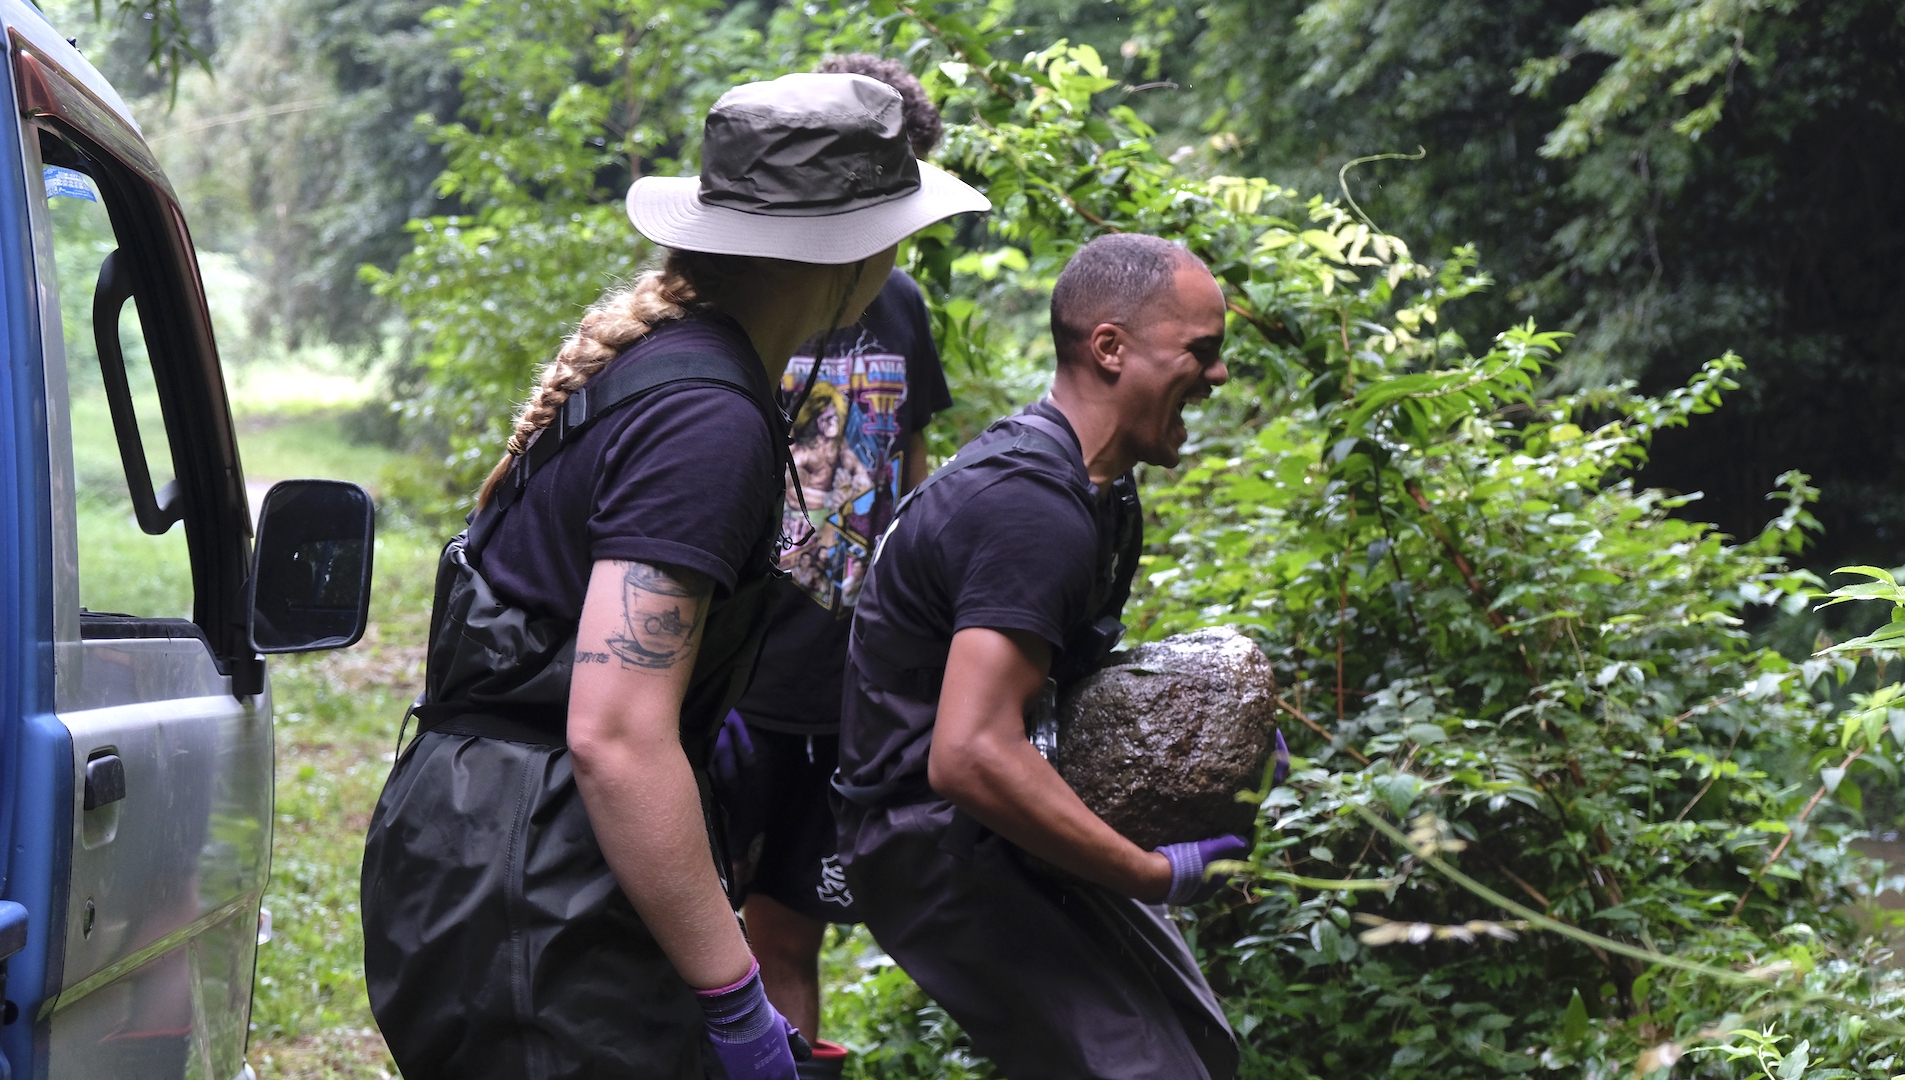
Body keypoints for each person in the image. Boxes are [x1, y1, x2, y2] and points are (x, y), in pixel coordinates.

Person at [359, 72, 986, 1080]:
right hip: (535, 888)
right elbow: (614, 736)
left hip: (506, 857)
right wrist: (738, 999)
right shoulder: (708, 423)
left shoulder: (682, 366)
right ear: (855, 251)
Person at [833, 233, 1255, 1079]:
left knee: (1201, 1049)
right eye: (1201, 352)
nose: (1217, 376)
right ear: (1110, 348)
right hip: (933, 844)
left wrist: (1213, 734)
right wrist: (1144, 871)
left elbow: (1051, 686)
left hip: (1002, 819)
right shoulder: (1032, 510)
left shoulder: (1102, 493)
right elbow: (968, 753)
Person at [705, 54, 953, 1071]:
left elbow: (913, 480)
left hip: (845, 683)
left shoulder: (900, 312)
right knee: (700, 926)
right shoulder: (733, 309)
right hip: (733, 682)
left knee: (789, 934)